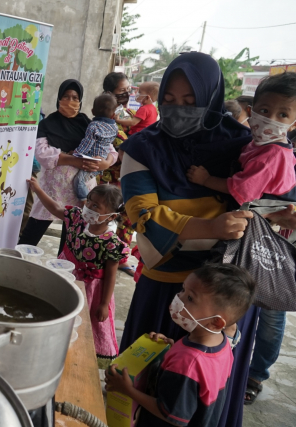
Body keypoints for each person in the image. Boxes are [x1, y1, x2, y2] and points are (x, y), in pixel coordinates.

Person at [119, 52, 256, 427]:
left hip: (223, 302)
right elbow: (144, 215)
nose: (177, 111)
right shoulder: (143, 147)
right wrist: (212, 227)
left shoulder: (244, 146)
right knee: (153, 392)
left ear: (212, 99)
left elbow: (266, 198)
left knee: (207, 399)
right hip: (170, 293)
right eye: (169, 101)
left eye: (190, 102)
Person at [106, 264, 256, 427]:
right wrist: (169, 349)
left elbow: (171, 414)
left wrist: (128, 390)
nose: (179, 298)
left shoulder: (188, 362)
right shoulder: (221, 343)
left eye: (190, 298)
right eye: (183, 289)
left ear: (216, 321)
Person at [28, 179, 128, 367]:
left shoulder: (111, 243)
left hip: (91, 290)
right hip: (64, 276)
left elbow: (111, 276)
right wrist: (38, 189)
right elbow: (56, 208)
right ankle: (53, 347)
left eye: (96, 206)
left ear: (111, 216)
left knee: (83, 323)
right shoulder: (76, 218)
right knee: (58, 311)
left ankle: (78, 358)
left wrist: (104, 303)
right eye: (89, 201)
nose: (88, 207)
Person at [18, 79, 117, 249]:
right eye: (66, 96)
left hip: (82, 192)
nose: (70, 101)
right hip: (52, 189)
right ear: (58, 98)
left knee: (70, 241)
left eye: (75, 97)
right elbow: (42, 153)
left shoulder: (89, 124)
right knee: (31, 234)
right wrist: (75, 160)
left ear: (81, 101)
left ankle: (63, 271)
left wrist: (105, 164)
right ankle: (14, 263)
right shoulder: (48, 123)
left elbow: (111, 151)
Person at [187, 72, 296, 205]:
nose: (270, 119)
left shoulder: (271, 155)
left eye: (283, 114)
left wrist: (206, 180)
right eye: (264, 111)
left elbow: (242, 189)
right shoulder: (263, 144)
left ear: (293, 125)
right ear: (251, 112)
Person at [96, 72, 137, 276]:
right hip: (109, 177)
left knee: (127, 219)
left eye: (128, 90)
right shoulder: (105, 117)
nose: (126, 94)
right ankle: (98, 253)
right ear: (109, 93)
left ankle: (119, 257)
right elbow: (122, 144)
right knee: (104, 216)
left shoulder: (126, 114)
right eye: (122, 91)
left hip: (126, 174)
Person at [73, 94, 118, 199]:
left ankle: (86, 201)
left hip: (91, 161)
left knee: (79, 181)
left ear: (93, 111)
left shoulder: (93, 126)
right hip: (103, 159)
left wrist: (75, 153)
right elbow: (109, 144)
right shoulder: (114, 127)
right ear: (113, 115)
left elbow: (86, 144)